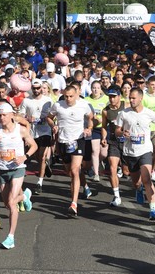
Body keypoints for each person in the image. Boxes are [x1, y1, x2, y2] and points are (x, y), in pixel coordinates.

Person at [0, 103, 38, 249]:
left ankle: (10, 237)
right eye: (0, 115)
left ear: (11, 115)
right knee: (7, 204)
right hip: (2, 170)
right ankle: (25, 196)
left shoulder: (20, 130)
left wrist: (24, 157)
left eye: (4, 115)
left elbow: (34, 146)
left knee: (11, 202)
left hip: (18, 169)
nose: (1, 118)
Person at [115, 87, 155, 220]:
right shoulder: (124, 113)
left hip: (145, 150)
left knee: (147, 179)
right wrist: (122, 133)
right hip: (130, 152)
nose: (131, 100)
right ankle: (138, 189)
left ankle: (153, 210)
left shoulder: (149, 113)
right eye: (130, 98)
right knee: (136, 182)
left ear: (140, 98)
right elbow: (117, 130)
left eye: (133, 98)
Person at [47, 85, 93, 217]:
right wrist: (53, 125)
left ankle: (74, 203)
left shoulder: (83, 105)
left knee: (74, 170)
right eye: (66, 96)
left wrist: (89, 128)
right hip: (63, 142)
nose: (68, 99)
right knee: (70, 172)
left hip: (78, 140)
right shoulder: (58, 105)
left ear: (76, 95)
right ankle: (80, 188)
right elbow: (49, 117)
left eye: (71, 96)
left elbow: (91, 118)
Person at [18, 79, 54, 194]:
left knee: (43, 156)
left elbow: (52, 116)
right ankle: (44, 166)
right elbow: (21, 115)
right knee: (36, 156)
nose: (37, 90)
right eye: (34, 88)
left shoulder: (48, 100)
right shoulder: (26, 101)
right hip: (32, 132)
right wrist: (28, 119)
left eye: (38, 88)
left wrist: (48, 121)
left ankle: (40, 182)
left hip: (45, 131)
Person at [101, 86, 128, 206]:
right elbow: (104, 126)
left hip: (128, 142)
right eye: (110, 97)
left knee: (127, 171)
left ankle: (139, 186)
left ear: (119, 96)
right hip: (114, 142)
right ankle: (116, 196)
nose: (111, 99)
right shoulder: (106, 111)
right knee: (112, 167)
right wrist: (103, 137)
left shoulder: (126, 106)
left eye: (114, 96)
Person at [84, 81, 109, 181]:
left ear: (100, 89)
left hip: (104, 128)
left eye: (98, 88)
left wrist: (103, 119)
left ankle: (98, 162)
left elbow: (109, 111)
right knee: (95, 150)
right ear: (91, 88)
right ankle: (96, 174)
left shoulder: (106, 99)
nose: (95, 90)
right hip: (93, 128)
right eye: (94, 87)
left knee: (104, 153)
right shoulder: (86, 100)